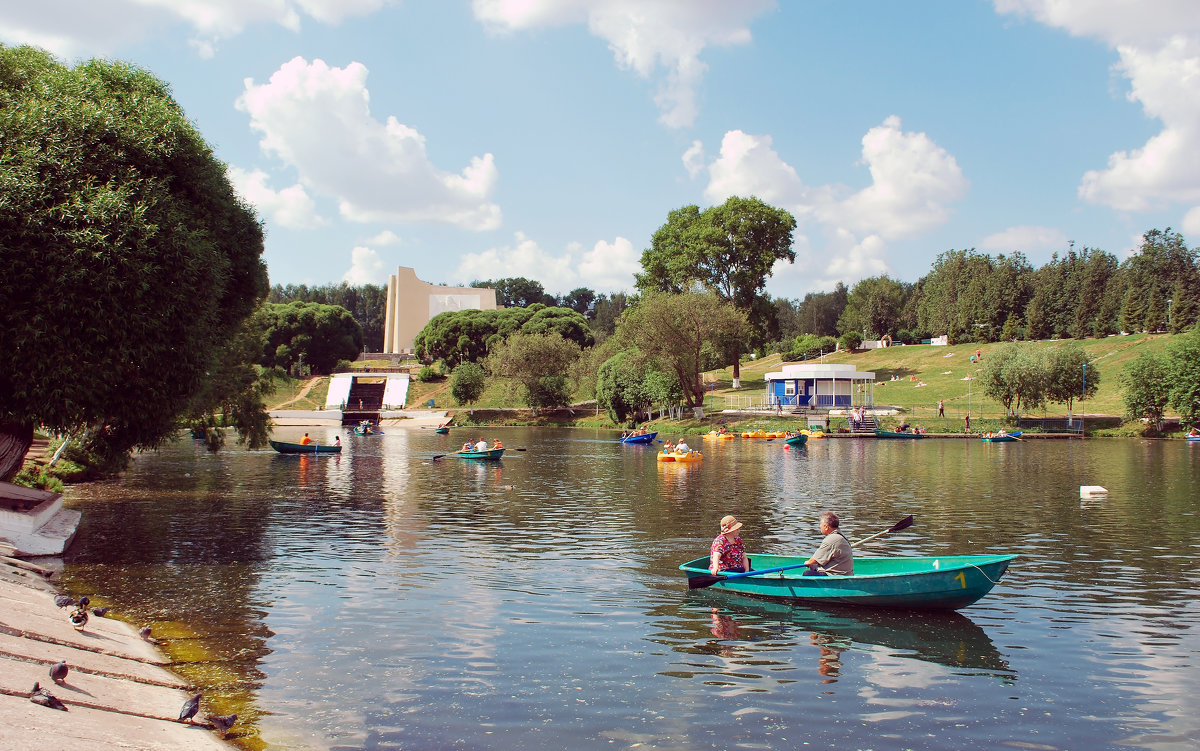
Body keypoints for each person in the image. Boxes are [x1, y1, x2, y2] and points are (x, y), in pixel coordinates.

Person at [803, 511, 853, 576]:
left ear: (826, 527)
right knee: (813, 566)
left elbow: (814, 560)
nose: (820, 526)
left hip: (836, 575)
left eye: (820, 524)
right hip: (842, 572)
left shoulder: (831, 539)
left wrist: (808, 562)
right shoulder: (839, 534)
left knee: (807, 573)